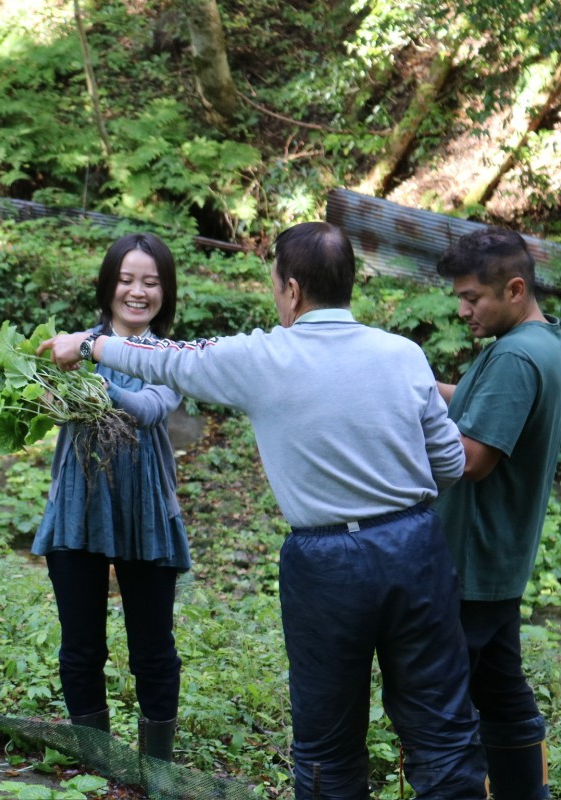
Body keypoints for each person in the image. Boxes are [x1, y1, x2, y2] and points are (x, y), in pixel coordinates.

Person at [39, 221, 485, 798]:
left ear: (292, 290)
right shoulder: (404, 354)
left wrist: (89, 345)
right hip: (416, 548)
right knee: (442, 727)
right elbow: (448, 463)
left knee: (328, 740)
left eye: (275, 284)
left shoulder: (262, 357)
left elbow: (175, 363)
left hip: (328, 562)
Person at [33, 233, 192, 762]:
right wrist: (42, 391)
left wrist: (95, 379)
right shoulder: (68, 347)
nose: (137, 292)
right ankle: (94, 761)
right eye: (126, 280)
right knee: (81, 647)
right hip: (77, 509)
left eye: (150, 282)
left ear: (166, 292)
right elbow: (43, 407)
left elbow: (147, 410)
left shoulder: (171, 358)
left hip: (146, 513)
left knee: (153, 649)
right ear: (108, 286)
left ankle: (157, 768)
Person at [432, 227, 561, 800]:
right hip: (499, 559)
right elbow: (478, 404)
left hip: (470, 562)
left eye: (472, 298)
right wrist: (412, 385)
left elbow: (472, 459)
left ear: (514, 289)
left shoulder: (513, 357)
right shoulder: (543, 344)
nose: (463, 311)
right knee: (502, 693)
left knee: (439, 704)